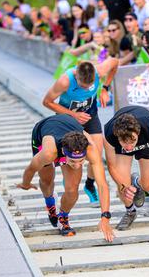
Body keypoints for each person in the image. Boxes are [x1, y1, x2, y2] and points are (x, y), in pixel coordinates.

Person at [17, 114, 114, 240]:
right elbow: (31, 169)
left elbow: (102, 185)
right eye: (73, 161)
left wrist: (105, 217)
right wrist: (25, 184)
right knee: (46, 181)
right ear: (63, 153)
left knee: (72, 189)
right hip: (43, 132)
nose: (78, 165)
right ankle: (50, 203)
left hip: (69, 127)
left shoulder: (91, 149)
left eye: (81, 161)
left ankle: (62, 217)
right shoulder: (49, 153)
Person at [42, 60, 118, 203]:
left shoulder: (100, 71)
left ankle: (89, 185)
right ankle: (69, 183)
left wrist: (105, 88)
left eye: (89, 87)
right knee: (74, 155)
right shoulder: (64, 81)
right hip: (68, 120)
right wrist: (74, 115)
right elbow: (47, 102)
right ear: (76, 75)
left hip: (90, 115)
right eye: (82, 86)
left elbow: (115, 63)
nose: (85, 90)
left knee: (96, 152)